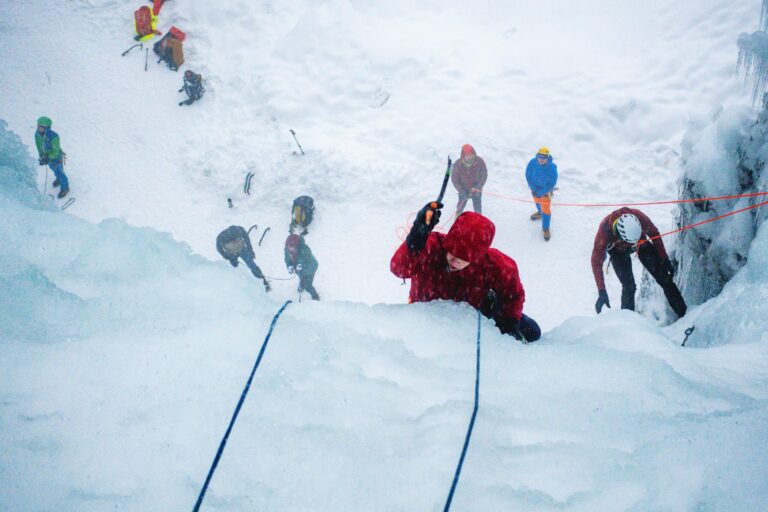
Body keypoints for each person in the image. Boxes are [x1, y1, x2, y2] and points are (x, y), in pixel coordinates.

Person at [391, 203, 541, 342]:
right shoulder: (431, 246)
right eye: (452, 252)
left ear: (478, 256)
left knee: (532, 331)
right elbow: (399, 269)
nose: (454, 261)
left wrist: (510, 321)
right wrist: (413, 244)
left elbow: (513, 295)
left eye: (463, 258)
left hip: (470, 316)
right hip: (427, 314)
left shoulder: (494, 264)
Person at [591, 208, 687, 318]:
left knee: (664, 277)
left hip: (641, 243)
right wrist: (601, 291)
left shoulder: (639, 217)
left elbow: (654, 234)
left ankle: (683, 313)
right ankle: (629, 324)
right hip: (618, 252)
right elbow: (596, 261)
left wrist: (664, 259)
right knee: (628, 286)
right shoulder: (604, 232)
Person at [216, 226, 271, 292]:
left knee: (251, 265)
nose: (234, 242)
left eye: (236, 240)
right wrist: (227, 257)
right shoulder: (220, 238)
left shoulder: (239, 230)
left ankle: (263, 280)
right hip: (232, 253)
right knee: (234, 266)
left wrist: (250, 251)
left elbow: (246, 239)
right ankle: (236, 286)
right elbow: (219, 249)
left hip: (242, 250)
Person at [525, 147, 558, 241]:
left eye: (544, 157)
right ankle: (540, 213)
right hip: (534, 189)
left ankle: (546, 228)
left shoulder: (552, 167)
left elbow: (552, 183)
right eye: (540, 156)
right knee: (537, 202)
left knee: (546, 209)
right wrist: (533, 188)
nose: (541, 159)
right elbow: (528, 175)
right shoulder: (532, 162)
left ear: (547, 157)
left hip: (545, 191)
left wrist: (542, 192)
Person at [35, 117, 69, 199]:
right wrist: (42, 155)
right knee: (55, 170)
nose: (39, 128)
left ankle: (65, 188)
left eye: (41, 127)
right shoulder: (37, 134)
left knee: (59, 171)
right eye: (38, 126)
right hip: (48, 157)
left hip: (56, 157)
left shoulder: (54, 136)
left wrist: (48, 158)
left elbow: (56, 150)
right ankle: (58, 179)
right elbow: (39, 146)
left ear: (47, 128)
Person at [451, 144, 487, 215]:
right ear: (463, 155)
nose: (469, 157)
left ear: (473, 153)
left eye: (471, 155)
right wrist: (461, 190)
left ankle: (478, 219)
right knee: (460, 207)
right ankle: (458, 217)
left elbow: (484, 175)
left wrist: (479, 186)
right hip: (463, 189)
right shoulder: (458, 164)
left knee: (478, 207)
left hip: (476, 189)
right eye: (467, 155)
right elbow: (454, 179)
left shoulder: (480, 161)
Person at [284, 234, 320, 300]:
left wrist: (301, 265)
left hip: (310, 269)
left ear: (296, 246)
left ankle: (315, 296)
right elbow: (287, 259)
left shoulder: (304, 249)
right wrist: (289, 266)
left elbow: (307, 260)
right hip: (299, 270)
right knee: (301, 277)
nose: (289, 248)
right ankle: (302, 284)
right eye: (288, 246)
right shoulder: (287, 249)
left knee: (308, 285)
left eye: (291, 247)